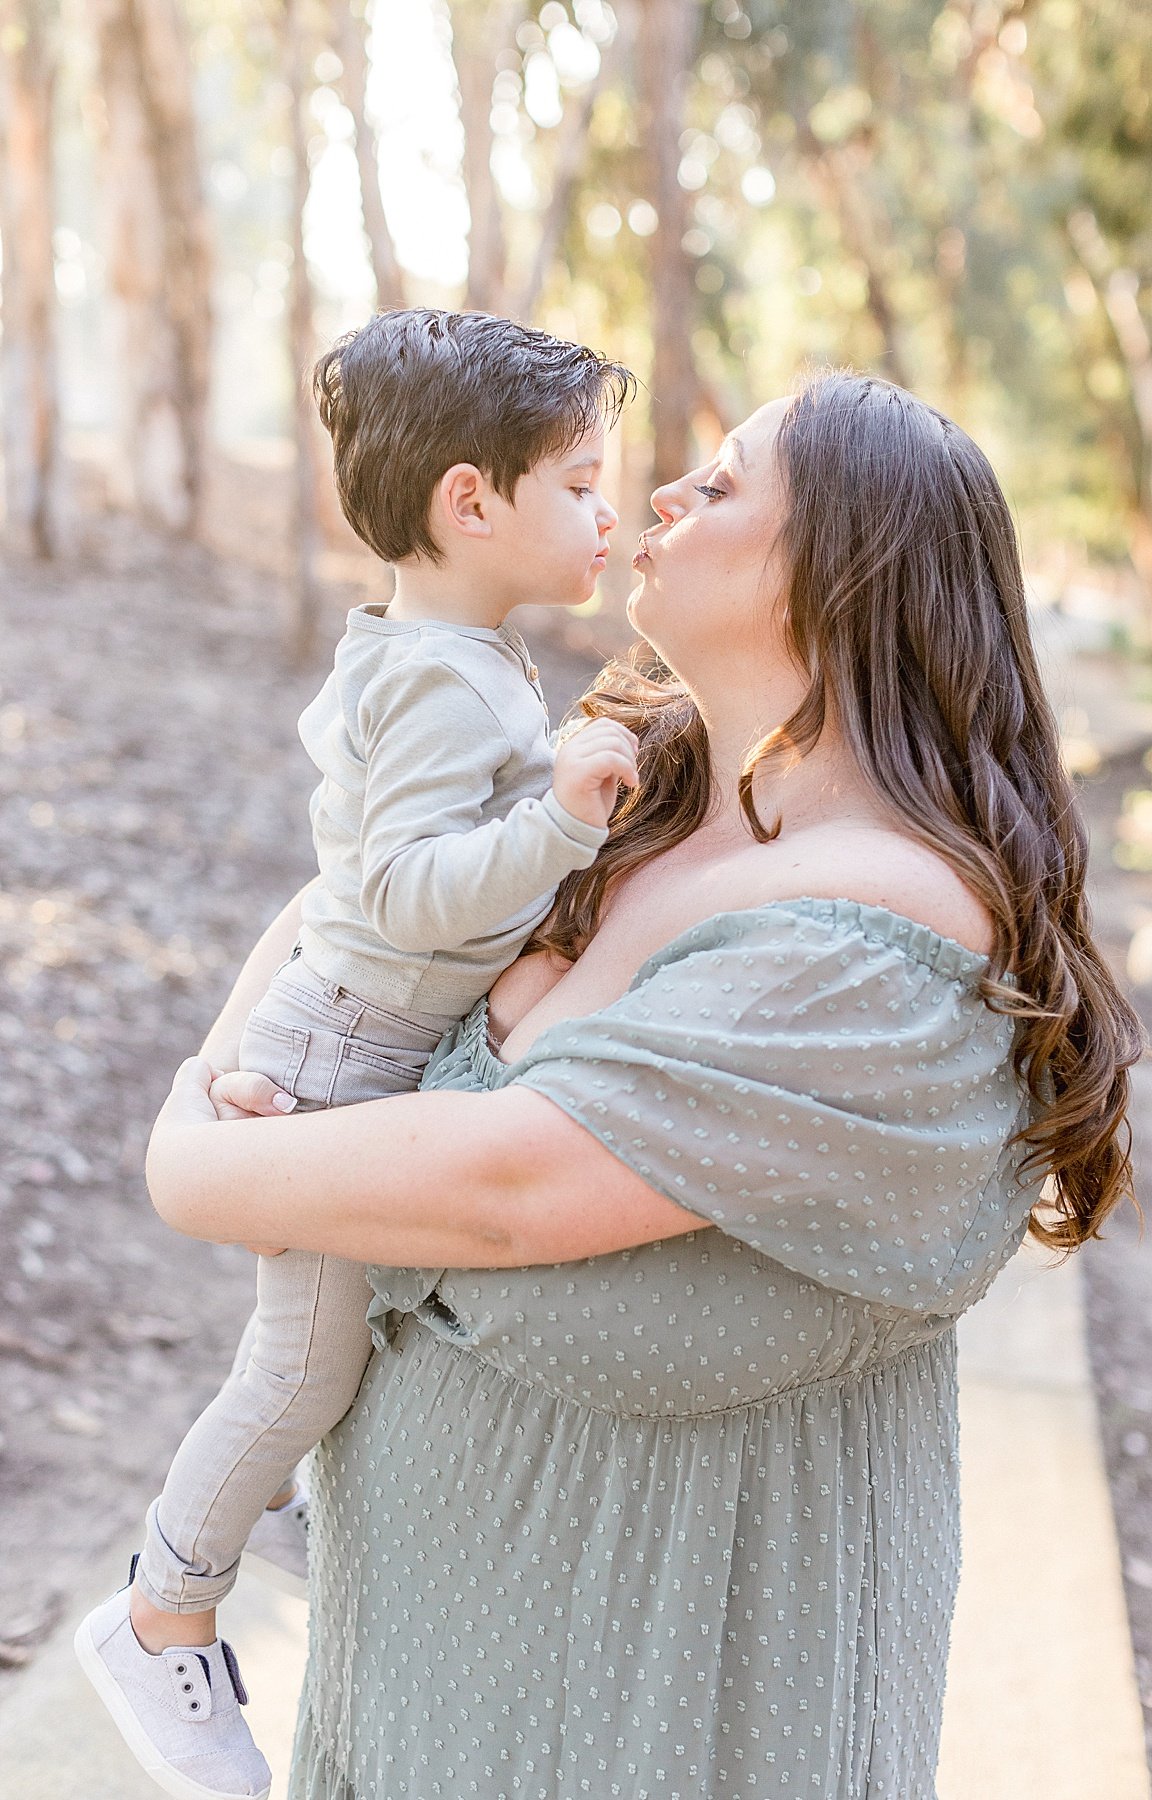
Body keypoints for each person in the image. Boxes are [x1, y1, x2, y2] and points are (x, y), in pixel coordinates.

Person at [142, 371, 1143, 1800]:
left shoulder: (880, 931)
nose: (665, 494)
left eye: (726, 485)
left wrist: (193, 1163)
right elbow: (346, 911)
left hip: (666, 1727)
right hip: (417, 1688)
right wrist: (229, 1077)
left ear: (849, 569)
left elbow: (512, 1183)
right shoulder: (641, 793)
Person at [74, 308, 639, 1800]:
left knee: (343, 1338)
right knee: (298, 1360)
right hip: (344, 1048)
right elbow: (391, 891)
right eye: (582, 483)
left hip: (372, 1032)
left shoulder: (458, 652)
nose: (611, 514)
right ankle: (164, 1609)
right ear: (473, 500)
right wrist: (565, 820)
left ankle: (301, 1519)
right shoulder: (441, 678)